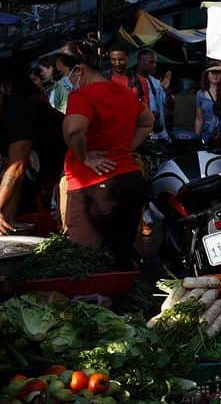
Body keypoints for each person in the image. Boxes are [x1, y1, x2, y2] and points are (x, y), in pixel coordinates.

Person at [60, 40, 153, 266]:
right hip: (130, 181)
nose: (66, 81)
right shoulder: (124, 94)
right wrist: (126, 148)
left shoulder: (82, 96)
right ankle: (119, 298)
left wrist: (85, 156)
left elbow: (73, 130)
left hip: (94, 187)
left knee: (85, 262)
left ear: (79, 70)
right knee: (120, 258)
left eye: (65, 74)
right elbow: (147, 121)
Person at [0, 65, 65, 234]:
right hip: (42, 167)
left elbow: (16, 168)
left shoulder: (18, 108)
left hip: (71, 161)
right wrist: (7, 220)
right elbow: (13, 171)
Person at [129, 48, 170, 141]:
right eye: (151, 62)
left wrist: (167, 90)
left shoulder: (156, 82)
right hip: (143, 136)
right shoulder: (131, 81)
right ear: (140, 61)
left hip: (161, 135)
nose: (154, 65)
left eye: (155, 62)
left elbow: (170, 106)